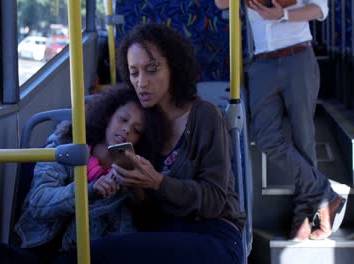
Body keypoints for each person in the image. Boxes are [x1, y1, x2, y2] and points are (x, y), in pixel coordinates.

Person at [84, 23, 245, 264]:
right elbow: (146, 216)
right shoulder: (141, 125)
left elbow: (213, 201)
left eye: (151, 70)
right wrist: (135, 188)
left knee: (95, 254)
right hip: (162, 233)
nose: (141, 83)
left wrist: (158, 182)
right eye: (134, 72)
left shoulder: (204, 116)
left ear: (174, 68)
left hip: (213, 233)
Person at [214, 0, 346, 240]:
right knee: (264, 136)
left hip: (298, 55)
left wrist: (282, 14)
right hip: (262, 61)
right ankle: (325, 192)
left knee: (303, 138)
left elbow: (320, 10)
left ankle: (305, 213)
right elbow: (221, 3)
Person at [12, 83, 165, 263]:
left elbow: (121, 239)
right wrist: (89, 191)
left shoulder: (128, 176)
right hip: (38, 243)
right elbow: (38, 203)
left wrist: (136, 194)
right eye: (123, 119)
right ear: (108, 115)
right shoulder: (65, 143)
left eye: (136, 130)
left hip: (81, 254)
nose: (126, 129)